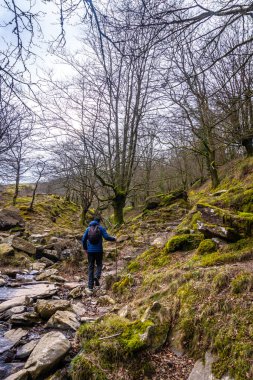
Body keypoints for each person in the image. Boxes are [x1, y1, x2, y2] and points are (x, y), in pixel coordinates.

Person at [82, 217, 116, 295]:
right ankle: (97, 276)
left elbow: (83, 239)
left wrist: (85, 249)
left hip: (90, 251)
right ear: (99, 222)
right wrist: (114, 239)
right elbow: (106, 237)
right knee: (99, 264)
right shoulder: (101, 228)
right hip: (99, 251)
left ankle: (90, 287)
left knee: (90, 267)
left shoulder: (88, 229)